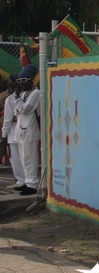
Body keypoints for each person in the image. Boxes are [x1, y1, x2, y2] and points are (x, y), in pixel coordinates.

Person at [13, 65, 40, 196]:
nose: (22, 84)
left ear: (31, 80)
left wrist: (19, 105)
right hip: (21, 130)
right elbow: (16, 110)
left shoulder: (36, 93)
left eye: (25, 81)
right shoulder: (23, 94)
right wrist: (18, 102)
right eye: (20, 81)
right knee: (24, 158)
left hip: (30, 130)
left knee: (30, 158)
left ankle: (33, 184)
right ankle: (27, 182)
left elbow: (26, 109)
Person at [2, 75, 25, 190]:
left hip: (13, 132)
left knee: (15, 157)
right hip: (24, 131)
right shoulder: (26, 96)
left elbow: (7, 120)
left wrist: (3, 136)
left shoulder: (10, 99)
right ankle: (26, 180)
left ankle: (21, 180)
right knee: (25, 157)